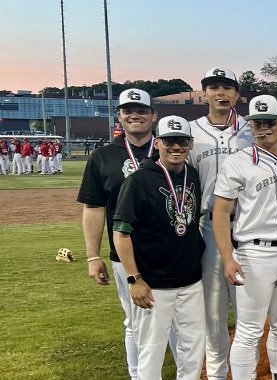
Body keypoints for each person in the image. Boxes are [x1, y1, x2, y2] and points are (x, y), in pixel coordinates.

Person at [212, 95, 277, 380]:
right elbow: (221, 212)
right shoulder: (237, 162)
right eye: (256, 124)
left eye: (269, 123)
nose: (262, 129)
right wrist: (228, 258)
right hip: (254, 253)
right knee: (249, 330)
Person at [78, 88, 167, 380]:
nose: (135, 115)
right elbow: (94, 208)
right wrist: (93, 256)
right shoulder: (103, 157)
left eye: (141, 110)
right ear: (119, 116)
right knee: (135, 321)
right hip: (124, 254)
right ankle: (137, 376)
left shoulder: (170, 148)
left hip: (172, 251)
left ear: (153, 116)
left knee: (176, 321)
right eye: (128, 110)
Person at [112, 115, 206, 380]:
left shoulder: (193, 175)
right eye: (169, 141)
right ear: (158, 144)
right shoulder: (139, 180)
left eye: (181, 141)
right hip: (153, 284)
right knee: (151, 353)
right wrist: (134, 279)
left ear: (190, 143)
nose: (175, 147)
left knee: (192, 349)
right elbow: (121, 234)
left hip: (190, 281)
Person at [186, 67, 251, 380]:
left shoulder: (253, 130)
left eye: (227, 87)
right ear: (204, 93)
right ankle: (215, 374)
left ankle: (244, 373)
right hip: (209, 228)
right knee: (213, 312)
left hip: (250, 229)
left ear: (237, 94)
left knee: (247, 312)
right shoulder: (190, 132)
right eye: (214, 87)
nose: (221, 93)